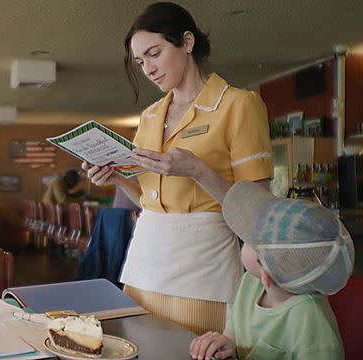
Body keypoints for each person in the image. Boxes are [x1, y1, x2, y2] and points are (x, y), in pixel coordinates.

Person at [82, 2, 272, 334]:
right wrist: (117, 178)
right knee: (137, 346)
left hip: (203, 266)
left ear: (187, 42)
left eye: (154, 53)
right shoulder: (150, 116)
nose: (148, 69)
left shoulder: (239, 105)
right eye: (141, 62)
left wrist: (199, 171)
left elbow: (259, 208)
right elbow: (151, 201)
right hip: (145, 262)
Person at [190, 180, 352, 359]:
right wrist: (227, 345)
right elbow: (234, 337)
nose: (244, 237)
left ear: (266, 275)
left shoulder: (312, 326)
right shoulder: (250, 283)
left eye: (251, 240)